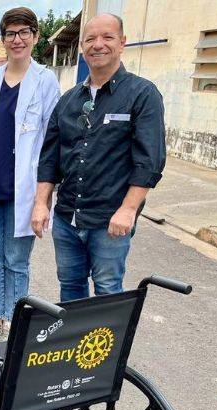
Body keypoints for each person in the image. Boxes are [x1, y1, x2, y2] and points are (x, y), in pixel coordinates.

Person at [33, 13, 166, 301]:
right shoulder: (68, 100)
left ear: (122, 43)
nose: (98, 44)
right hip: (68, 217)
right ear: (82, 46)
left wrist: (129, 209)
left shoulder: (142, 94)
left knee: (107, 293)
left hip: (110, 221)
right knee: (70, 290)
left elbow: (150, 160)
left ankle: (104, 348)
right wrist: (41, 204)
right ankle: (74, 346)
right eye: (90, 39)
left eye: (107, 37)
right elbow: (50, 159)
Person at [0, 7, 60, 344]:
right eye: (10, 33)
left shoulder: (46, 80)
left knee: (16, 260)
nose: (17, 39)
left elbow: (51, 140)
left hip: (25, 190)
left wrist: (43, 199)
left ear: (35, 36)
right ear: (3, 39)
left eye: (23, 32)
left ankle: (15, 323)